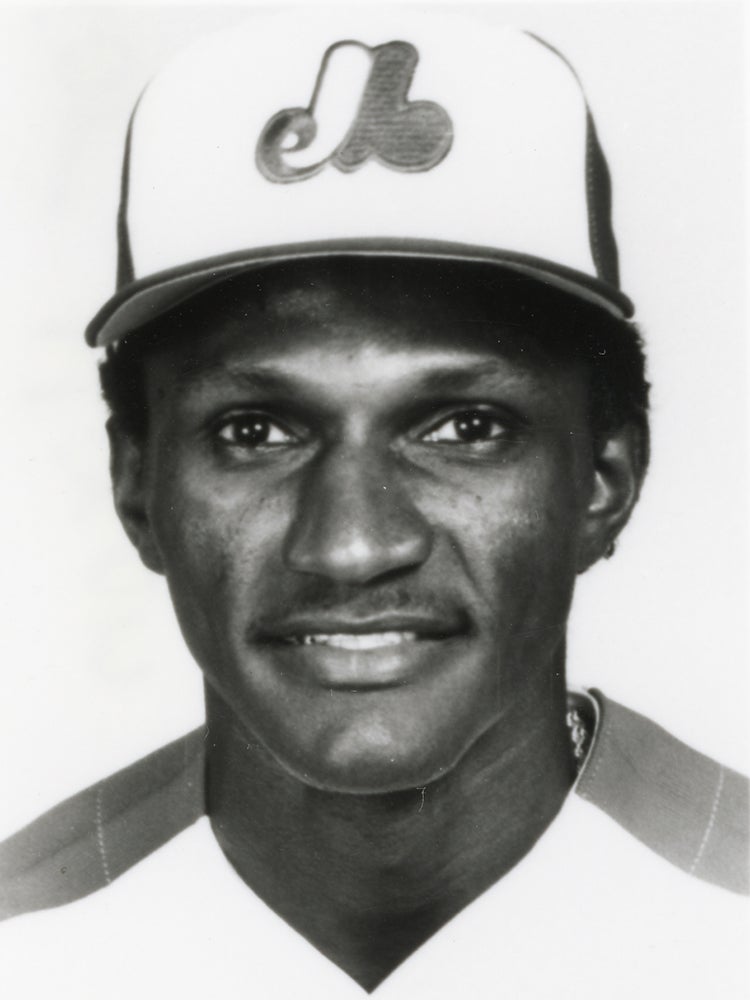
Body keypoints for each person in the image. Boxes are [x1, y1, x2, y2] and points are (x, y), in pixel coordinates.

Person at [1, 6, 747, 998]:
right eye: (256, 431)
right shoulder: (26, 940)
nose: (353, 542)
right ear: (136, 486)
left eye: (464, 427)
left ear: (606, 478)